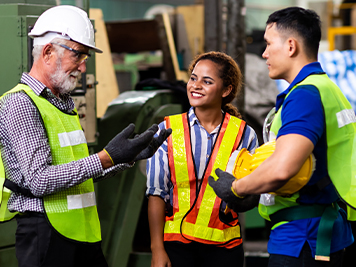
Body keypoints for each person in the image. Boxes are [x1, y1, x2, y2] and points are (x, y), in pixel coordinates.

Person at [0, 5, 171, 267]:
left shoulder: (62, 104)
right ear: (47, 52)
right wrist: (104, 157)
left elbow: (80, 170)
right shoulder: (21, 104)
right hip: (46, 236)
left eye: (85, 58)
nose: (82, 67)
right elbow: (39, 180)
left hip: (82, 233)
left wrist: (126, 157)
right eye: (78, 56)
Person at [209, 6, 355, 267]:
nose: (264, 53)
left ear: (290, 46)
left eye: (268, 44)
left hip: (303, 238)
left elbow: (283, 167)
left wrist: (237, 188)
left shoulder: (305, 95)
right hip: (322, 230)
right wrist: (258, 187)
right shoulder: (326, 87)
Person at [146, 51, 259, 267]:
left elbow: (252, 190)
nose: (196, 85)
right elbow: (156, 194)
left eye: (206, 81)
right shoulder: (167, 130)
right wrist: (157, 249)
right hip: (176, 247)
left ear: (226, 90)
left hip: (225, 249)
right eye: (193, 78)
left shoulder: (244, 135)